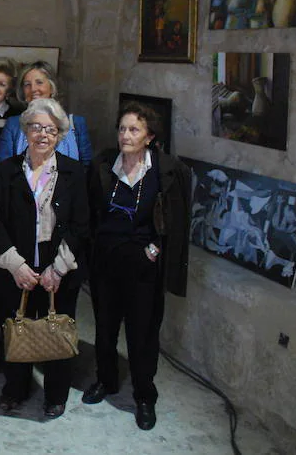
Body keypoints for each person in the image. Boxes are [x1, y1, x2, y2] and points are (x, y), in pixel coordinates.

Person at [82, 101, 191, 431]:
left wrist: (158, 248)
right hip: (106, 260)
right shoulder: (103, 165)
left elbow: (177, 220)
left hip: (144, 267)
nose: (125, 135)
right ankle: (107, 380)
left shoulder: (166, 171)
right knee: (104, 328)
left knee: (142, 336)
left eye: (134, 130)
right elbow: (91, 213)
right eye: (122, 128)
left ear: (149, 136)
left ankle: (145, 396)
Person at [0, 98, 90, 417]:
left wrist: (57, 270)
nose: (43, 134)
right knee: (17, 328)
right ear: (25, 130)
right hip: (17, 267)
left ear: (60, 135)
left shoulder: (74, 173)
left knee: (56, 328)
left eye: (51, 129)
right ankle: (16, 387)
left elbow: (82, 225)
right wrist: (16, 265)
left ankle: (56, 394)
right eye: (36, 127)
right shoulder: (6, 171)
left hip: (59, 268)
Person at [0, 61, 93, 165]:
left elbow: (85, 167)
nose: (33, 89)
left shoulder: (76, 123)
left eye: (39, 82)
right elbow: (4, 166)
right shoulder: (13, 124)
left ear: (52, 87)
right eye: (27, 84)